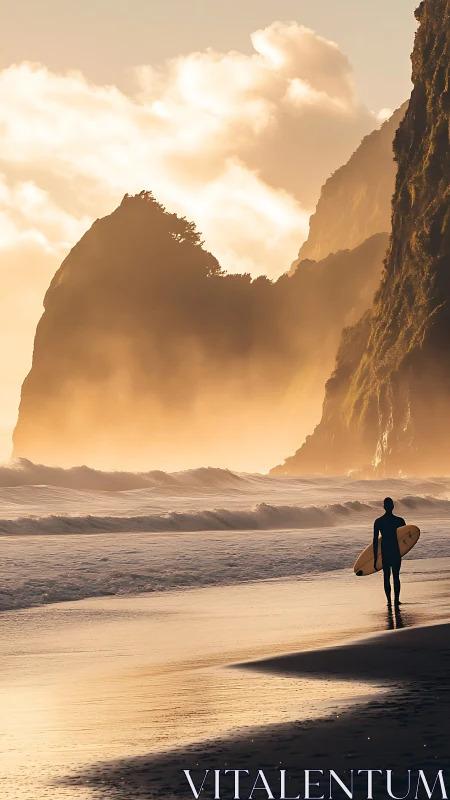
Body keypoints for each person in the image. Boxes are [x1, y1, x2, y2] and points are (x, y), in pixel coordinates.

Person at [373, 497, 406, 607]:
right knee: (396, 576)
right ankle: (396, 600)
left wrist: (375, 557)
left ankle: (389, 601)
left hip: (385, 552)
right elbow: (405, 540)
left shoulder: (378, 522)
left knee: (386, 577)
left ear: (384, 507)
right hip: (396, 551)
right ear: (392, 506)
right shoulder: (399, 521)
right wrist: (403, 552)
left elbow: (375, 540)